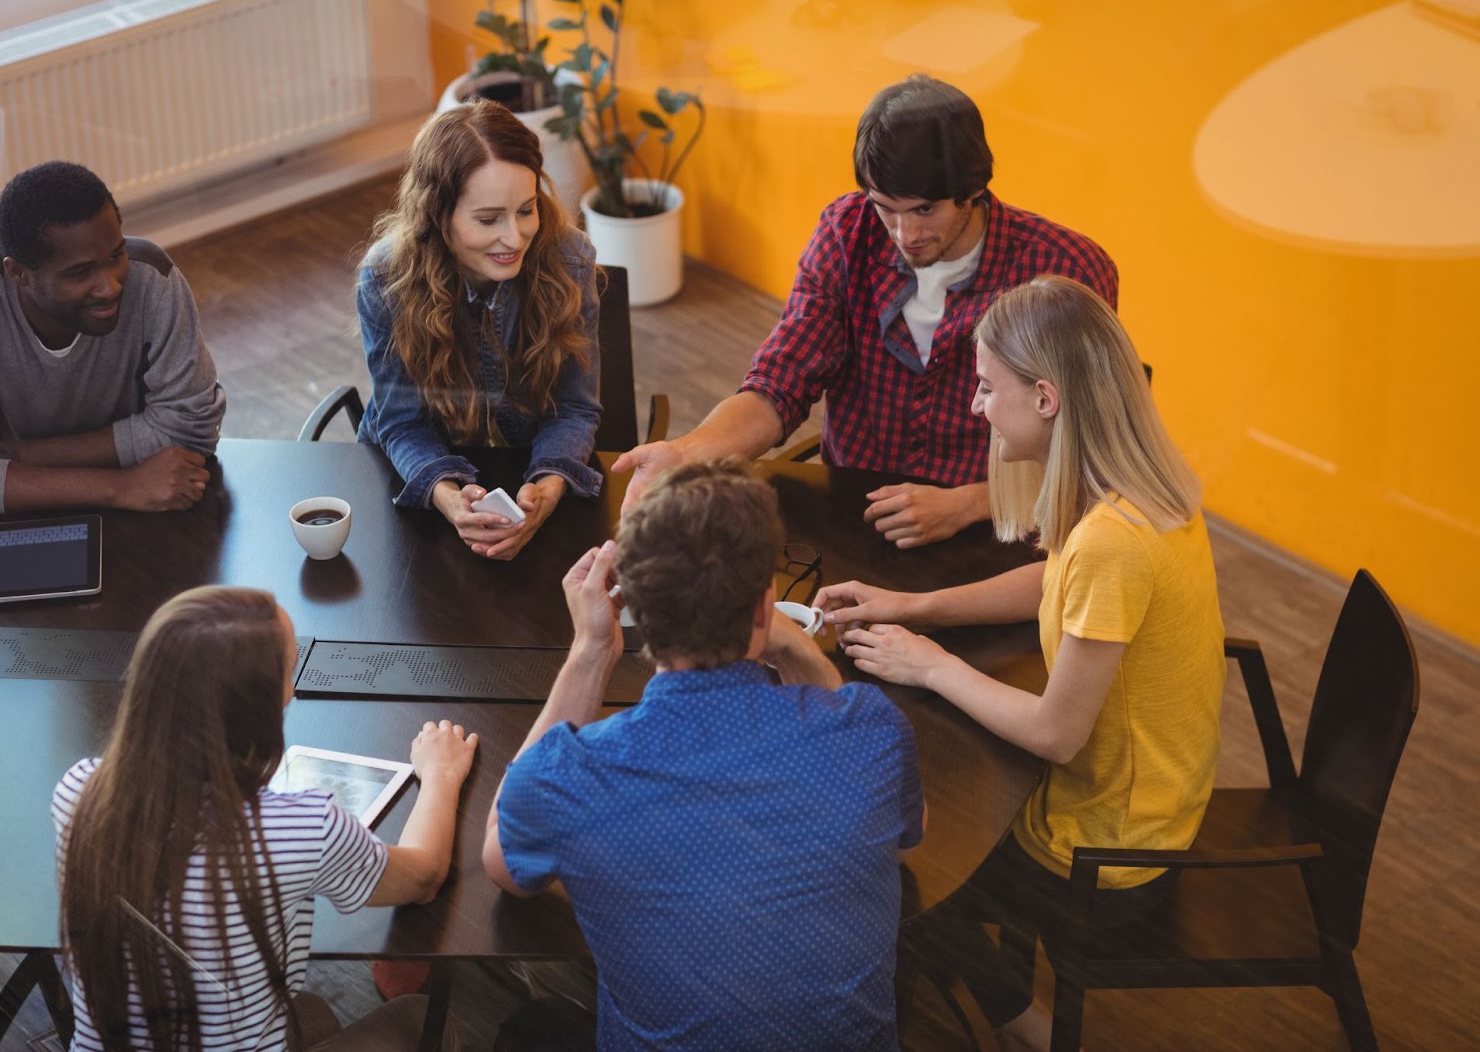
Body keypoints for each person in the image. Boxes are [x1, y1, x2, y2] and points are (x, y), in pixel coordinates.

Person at [814, 275, 1224, 1051]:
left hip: (1110, 851)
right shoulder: (1143, 489)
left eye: (985, 386)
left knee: (894, 881)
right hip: (1158, 802)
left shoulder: (1114, 542)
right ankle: (1016, 1019)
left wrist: (929, 662)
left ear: (1045, 398)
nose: (975, 405)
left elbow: (1055, 734)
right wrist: (912, 606)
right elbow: (1055, 578)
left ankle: (1028, 1027)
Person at [482, 460, 925, 1051]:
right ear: (764, 607)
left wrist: (590, 650)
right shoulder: (872, 731)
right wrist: (794, 648)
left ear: (634, 608)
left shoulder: (574, 778)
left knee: (524, 1025)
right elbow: (909, 830)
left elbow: (503, 863)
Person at [614, 75, 1117, 549]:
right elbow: (780, 380)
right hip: (855, 512)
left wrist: (970, 503)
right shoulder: (846, 231)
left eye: (924, 210)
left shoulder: (1064, 269)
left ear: (973, 188)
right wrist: (687, 453)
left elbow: (1088, 444)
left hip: (1002, 526)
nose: (904, 234)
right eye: (884, 207)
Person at [53, 586, 478, 1052]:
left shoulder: (79, 792)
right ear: (252, 710)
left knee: (312, 1012)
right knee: (418, 1019)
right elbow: (424, 875)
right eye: (289, 673)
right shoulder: (301, 829)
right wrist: (439, 774)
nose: (293, 691)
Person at [0, 160, 225, 514]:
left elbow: (192, 426)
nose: (110, 286)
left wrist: (23, 455)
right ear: (19, 273)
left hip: (33, 481)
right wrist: (120, 487)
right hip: (49, 501)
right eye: (80, 272)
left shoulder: (154, 278)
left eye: (116, 255)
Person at [357, 99, 602, 561]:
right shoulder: (384, 279)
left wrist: (547, 489)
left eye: (526, 209)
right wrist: (449, 498)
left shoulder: (570, 259)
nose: (514, 238)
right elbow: (402, 423)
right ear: (437, 214)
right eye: (488, 219)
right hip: (422, 494)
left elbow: (573, 408)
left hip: (533, 470)